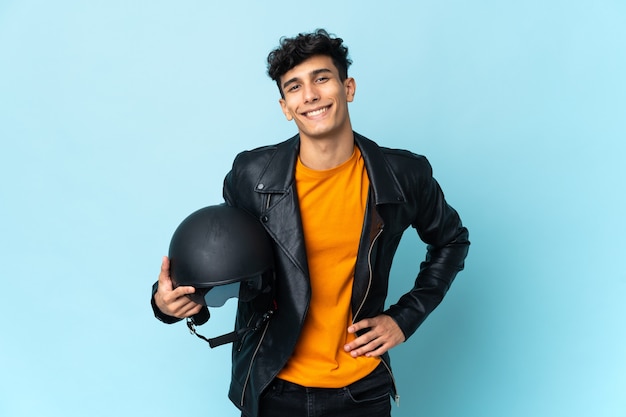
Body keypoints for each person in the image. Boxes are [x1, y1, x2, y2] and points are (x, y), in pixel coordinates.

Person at [151, 29, 470, 417]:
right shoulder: (253, 176)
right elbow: (222, 258)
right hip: (273, 384)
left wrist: (404, 318)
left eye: (321, 78)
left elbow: (451, 241)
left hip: (362, 389)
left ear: (347, 87)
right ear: (286, 106)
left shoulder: (402, 175)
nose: (311, 95)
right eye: (295, 86)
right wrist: (169, 302)